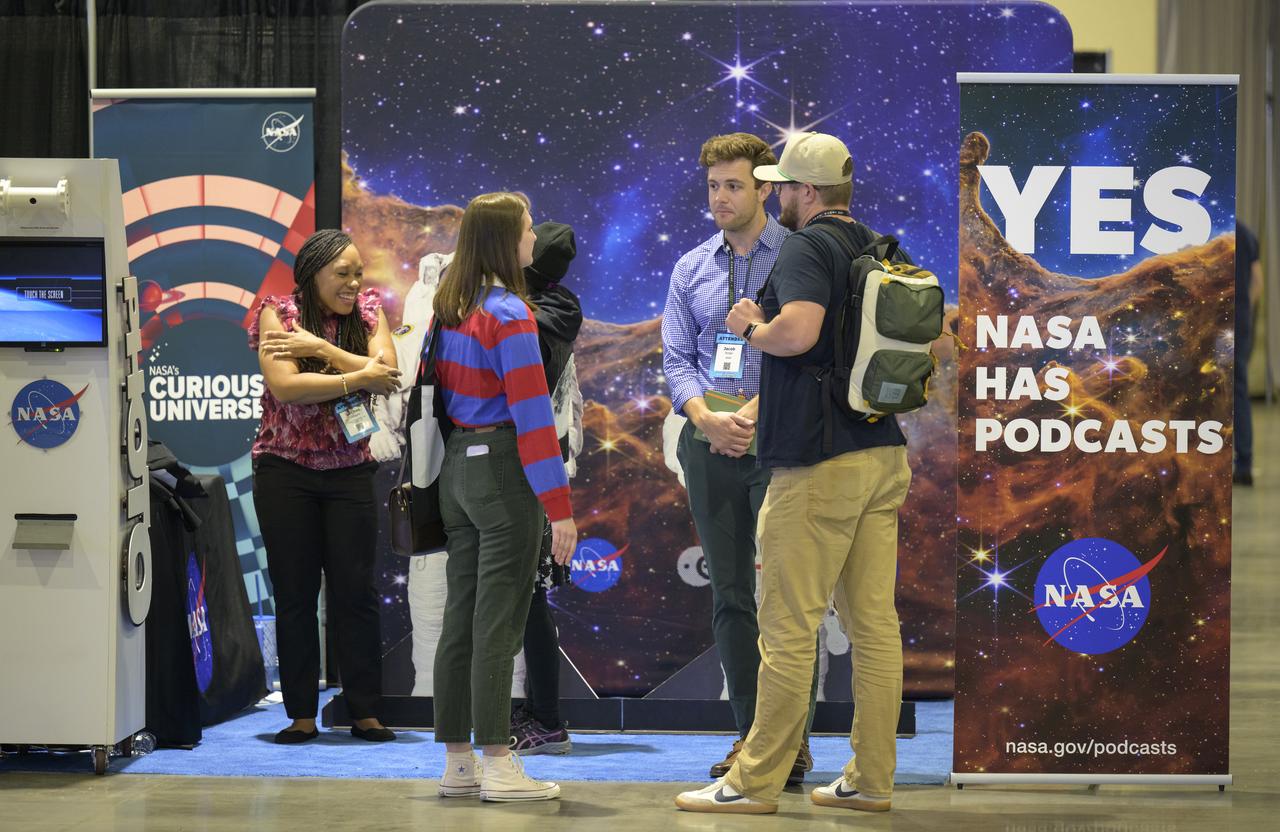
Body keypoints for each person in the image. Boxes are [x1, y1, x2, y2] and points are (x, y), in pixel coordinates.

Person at [676, 132, 913, 815]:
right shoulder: (877, 245)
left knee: (785, 627)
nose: (777, 195)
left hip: (816, 464)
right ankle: (871, 778)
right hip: (879, 450)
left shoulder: (809, 246)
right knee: (873, 624)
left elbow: (799, 332)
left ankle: (751, 783)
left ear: (806, 192)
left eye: (781, 185)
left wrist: (753, 325)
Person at [661, 132, 816, 784]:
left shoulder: (800, 259)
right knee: (730, 596)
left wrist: (750, 418)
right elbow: (677, 359)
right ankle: (751, 739)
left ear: (765, 189)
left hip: (778, 444)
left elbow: (807, 352)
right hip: (709, 446)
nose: (720, 198)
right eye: (713, 187)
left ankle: (793, 745)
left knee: (788, 599)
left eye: (733, 186)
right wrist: (704, 418)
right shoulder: (691, 266)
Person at [430, 192, 577, 802]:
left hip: (458, 470)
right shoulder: (510, 313)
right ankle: (497, 760)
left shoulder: (451, 307)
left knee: (461, 620)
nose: (532, 242)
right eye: (523, 229)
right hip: (504, 473)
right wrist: (560, 510)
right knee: (499, 622)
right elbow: (533, 416)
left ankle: (459, 762)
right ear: (502, 241)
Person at [249, 229, 402, 744]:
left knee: (355, 592)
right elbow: (287, 388)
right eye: (343, 274)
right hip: (284, 471)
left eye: (358, 273)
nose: (354, 283)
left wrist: (319, 349)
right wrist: (358, 375)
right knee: (294, 596)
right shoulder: (276, 312)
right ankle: (300, 716)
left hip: (350, 471)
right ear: (313, 272)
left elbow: (392, 372)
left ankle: (365, 713)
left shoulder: (367, 312)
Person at [510, 221, 585, 755]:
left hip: (530, 463)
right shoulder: (536, 305)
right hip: (528, 461)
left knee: (531, 596)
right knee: (523, 595)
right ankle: (534, 712)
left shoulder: (544, 311)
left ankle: (547, 718)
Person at [1234, 221, 1263, 486]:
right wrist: (1243, 308)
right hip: (1240, 320)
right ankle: (1244, 462)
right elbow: (1257, 279)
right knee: (1238, 389)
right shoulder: (1244, 232)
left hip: (1218, 320)